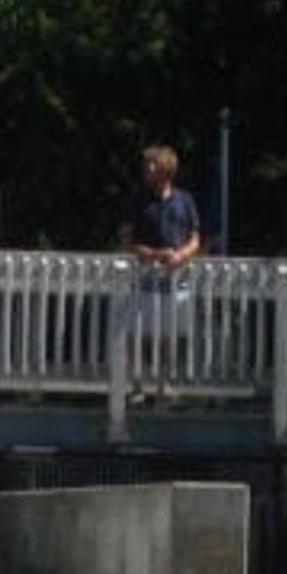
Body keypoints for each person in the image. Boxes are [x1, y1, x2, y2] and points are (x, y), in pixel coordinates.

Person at [120, 143, 201, 393]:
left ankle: (163, 383)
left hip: (175, 276)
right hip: (144, 276)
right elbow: (125, 238)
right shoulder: (137, 199)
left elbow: (196, 237)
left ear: (165, 168)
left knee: (170, 333)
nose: (146, 169)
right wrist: (153, 254)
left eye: (151, 165)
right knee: (137, 331)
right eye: (146, 166)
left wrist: (181, 255)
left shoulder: (184, 200)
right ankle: (135, 384)